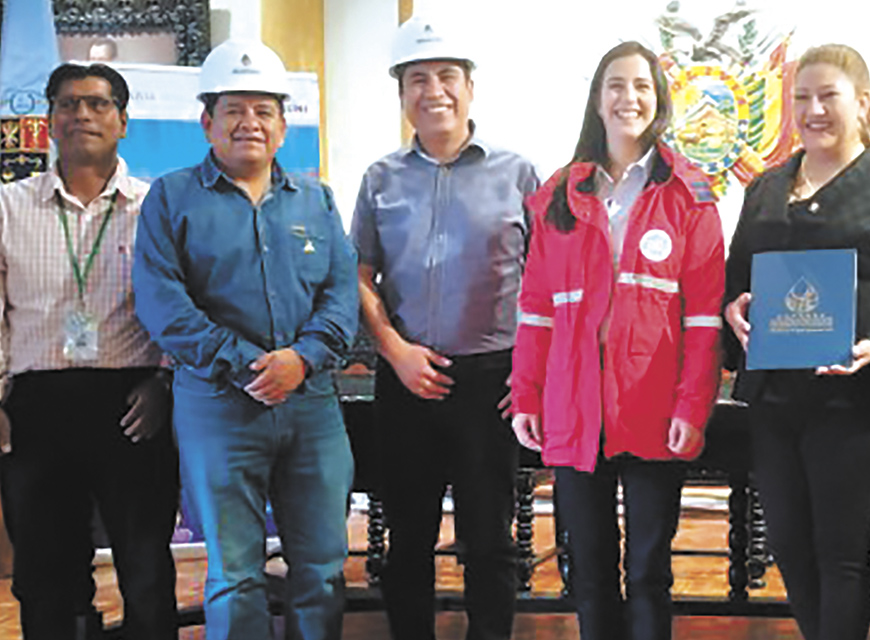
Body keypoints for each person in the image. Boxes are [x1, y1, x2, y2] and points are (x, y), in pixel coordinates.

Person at [722, 43, 870, 640]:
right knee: (790, 548)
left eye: (829, 96)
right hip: (775, 399)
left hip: (854, 403)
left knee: (841, 553)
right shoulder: (766, 188)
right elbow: (737, 278)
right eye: (801, 97)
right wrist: (735, 309)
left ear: (863, 103)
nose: (813, 109)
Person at [132, 40, 357, 640]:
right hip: (217, 405)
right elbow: (162, 302)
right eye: (234, 109)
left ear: (284, 124)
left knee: (324, 568)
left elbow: (341, 295)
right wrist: (248, 366)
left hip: (312, 407)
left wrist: (303, 361)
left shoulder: (316, 199)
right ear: (207, 121)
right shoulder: (171, 197)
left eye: (263, 110)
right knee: (234, 573)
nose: (248, 123)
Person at [509, 41, 723, 640]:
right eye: (616, 86)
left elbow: (703, 319)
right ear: (597, 101)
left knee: (650, 570)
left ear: (658, 101)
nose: (629, 98)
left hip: (654, 407)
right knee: (591, 570)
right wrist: (526, 394)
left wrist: (692, 406)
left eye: (641, 87)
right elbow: (536, 311)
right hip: (576, 408)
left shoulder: (689, 194)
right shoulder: (560, 195)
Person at [349, 16, 538, 640]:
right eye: (418, 78)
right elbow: (361, 277)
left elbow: (547, 286)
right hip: (406, 377)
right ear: (401, 93)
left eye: (448, 76)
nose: (435, 91)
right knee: (408, 540)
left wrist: (531, 373)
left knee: (489, 539)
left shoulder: (518, 174)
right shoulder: (380, 179)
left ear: (471, 88)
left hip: (493, 382)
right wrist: (395, 351)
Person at [0, 62, 178, 640]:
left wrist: (164, 384)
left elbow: (184, 309)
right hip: (36, 406)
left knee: (146, 566)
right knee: (44, 572)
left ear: (123, 121)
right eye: (68, 104)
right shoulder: (7, 208)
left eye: (98, 104)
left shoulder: (158, 208)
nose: (82, 114)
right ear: (49, 120)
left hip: (133, 405)